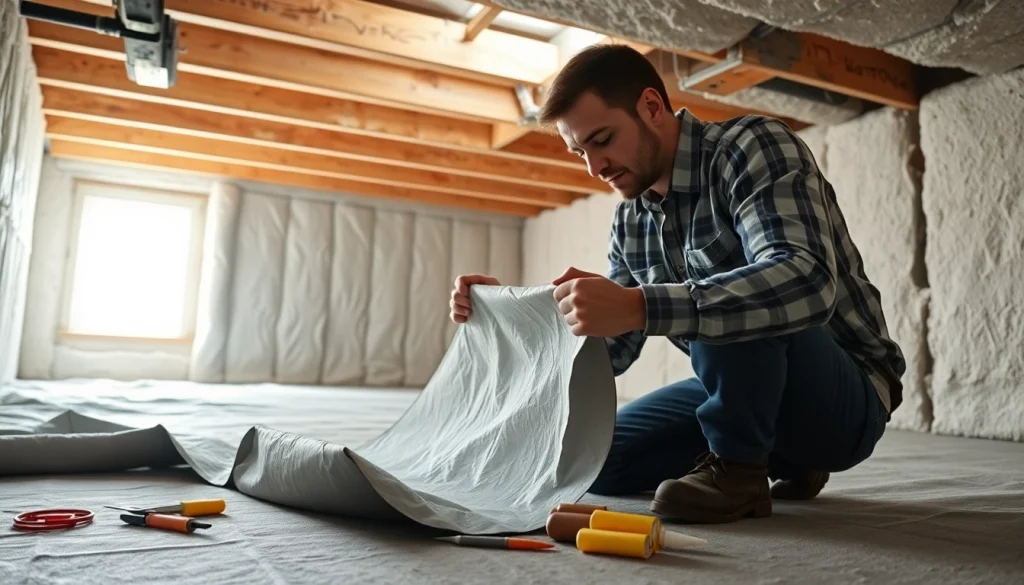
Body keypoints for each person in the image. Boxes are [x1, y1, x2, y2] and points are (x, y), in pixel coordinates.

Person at [448, 44, 905, 524]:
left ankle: (740, 470)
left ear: (651, 107)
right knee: (598, 458)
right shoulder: (631, 221)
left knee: (729, 294)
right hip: (747, 388)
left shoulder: (751, 146)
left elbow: (805, 281)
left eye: (603, 139)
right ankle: (784, 456)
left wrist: (640, 305)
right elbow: (613, 349)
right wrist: (511, 317)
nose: (594, 167)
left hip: (846, 398)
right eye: (581, 152)